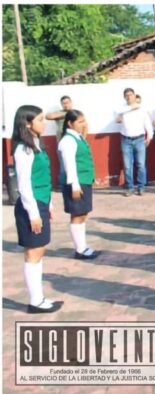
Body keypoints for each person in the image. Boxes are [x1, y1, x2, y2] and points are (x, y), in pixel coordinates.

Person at [12, 105, 64, 314]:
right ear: (27, 123)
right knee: (33, 253)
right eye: (40, 119)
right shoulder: (23, 149)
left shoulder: (36, 144)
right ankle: (35, 301)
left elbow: (42, 178)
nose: (44, 123)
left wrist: (48, 204)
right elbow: (24, 185)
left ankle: (39, 297)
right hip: (29, 206)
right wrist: (33, 213)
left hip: (40, 201)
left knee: (39, 251)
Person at [58, 110, 100, 260]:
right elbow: (69, 165)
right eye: (80, 122)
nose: (84, 124)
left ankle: (82, 246)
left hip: (83, 180)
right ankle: (80, 249)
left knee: (82, 214)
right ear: (70, 123)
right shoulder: (68, 140)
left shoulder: (78, 137)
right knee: (77, 215)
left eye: (84, 121)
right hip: (75, 182)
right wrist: (74, 185)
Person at [115, 88, 154, 197]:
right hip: (125, 139)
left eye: (131, 95)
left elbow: (147, 123)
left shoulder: (142, 109)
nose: (129, 97)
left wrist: (149, 136)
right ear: (124, 97)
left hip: (140, 139)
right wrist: (132, 108)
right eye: (126, 95)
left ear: (134, 95)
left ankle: (141, 187)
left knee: (141, 164)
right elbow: (116, 115)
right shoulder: (121, 109)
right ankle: (130, 187)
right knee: (128, 165)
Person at [45, 95, 78, 189]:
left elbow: (84, 125)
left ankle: (74, 183)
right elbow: (48, 116)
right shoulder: (59, 113)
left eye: (67, 103)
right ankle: (62, 184)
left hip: (74, 141)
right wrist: (65, 114)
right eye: (64, 103)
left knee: (75, 163)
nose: (66, 105)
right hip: (61, 142)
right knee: (63, 165)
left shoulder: (76, 113)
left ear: (71, 103)